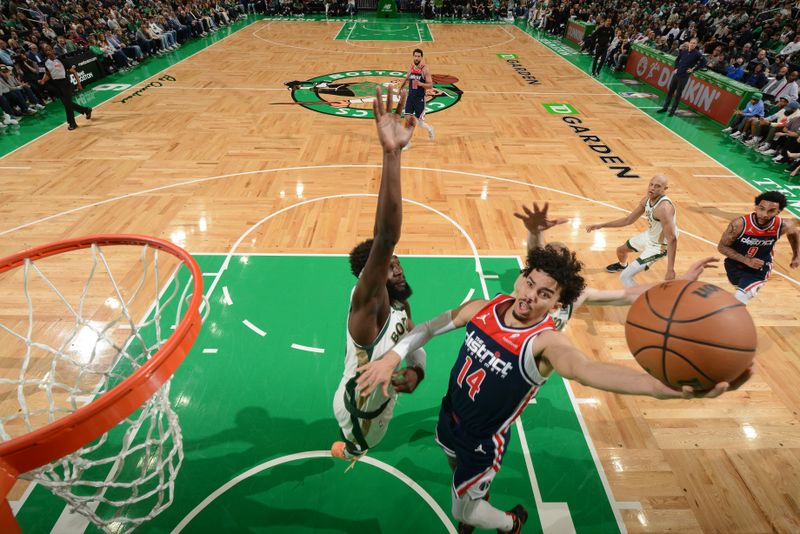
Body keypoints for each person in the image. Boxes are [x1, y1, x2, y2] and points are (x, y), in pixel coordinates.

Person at [355, 246, 746, 534]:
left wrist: (668, 389)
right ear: (520, 277)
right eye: (529, 282)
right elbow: (426, 328)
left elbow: (590, 371)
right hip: (451, 414)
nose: (530, 295)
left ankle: (510, 523)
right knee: (454, 466)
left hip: (483, 439)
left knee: (465, 513)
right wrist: (393, 358)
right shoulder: (482, 308)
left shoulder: (545, 344)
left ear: (558, 303)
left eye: (545, 293)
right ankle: (474, 496)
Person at [330, 86, 427, 463]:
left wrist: (416, 373)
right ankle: (349, 450)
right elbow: (386, 236)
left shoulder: (398, 300)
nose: (397, 264)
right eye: (387, 264)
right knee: (361, 448)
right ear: (371, 277)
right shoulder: (369, 303)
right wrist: (392, 154)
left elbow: (415, 335)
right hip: (360, 412)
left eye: (397, 259)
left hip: (383, 390)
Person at [515, 202, 718, 330]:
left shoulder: (578, 295)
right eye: (547, 263)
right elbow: (535, 255)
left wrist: (680, 283)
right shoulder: (528, 282)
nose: (549, 268)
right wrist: (534, 232)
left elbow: (629, 295)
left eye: (556, 263)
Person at [586, 175, 678, 287]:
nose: (652, 188)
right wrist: (601, 225)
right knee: (620, 250)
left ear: (665, 189)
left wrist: (670, 269)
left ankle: (644, 300)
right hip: (650, 236)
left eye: (657, 186)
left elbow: (672, 239)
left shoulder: (664, 209)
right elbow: (628, 220)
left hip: (660, 246)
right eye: (651, 184)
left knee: (625, 277)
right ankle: (622, 265)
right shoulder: (646, 200)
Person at [717, 191, 799, 304]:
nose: (764, 214)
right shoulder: (739, 224)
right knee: (739, 292)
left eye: (771, 211)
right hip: (734, 265)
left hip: (759, 267)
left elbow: (794, 233)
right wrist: (746, 260)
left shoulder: (783, 225)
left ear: (778, 212)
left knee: (739, 299)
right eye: (761, 208)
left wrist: (797, 255)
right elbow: (722, 247)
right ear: (756, 207)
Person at [38, 45, 92, 131]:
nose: (48, 51)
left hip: (65, 83)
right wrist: (43, 81)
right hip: (56, 85)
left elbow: (73, 72)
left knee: (67, 105)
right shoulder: (46, 62)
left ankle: (72, 123)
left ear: (52, 50)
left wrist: (79, 83)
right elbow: (48, 74)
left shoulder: (61, 60)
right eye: (46, 50)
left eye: (49, 49)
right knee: (67, 104)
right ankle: (86, 110)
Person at [658, 38, 707, 116]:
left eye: (694, 43)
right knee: (670, 91)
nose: (692, 44)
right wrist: (676, 68)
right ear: (689, 43)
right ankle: (665, 107)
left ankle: (672, 111)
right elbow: (677, 60)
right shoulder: (684, 51)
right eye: (691, 43)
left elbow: (704, 62)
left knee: (678, 94)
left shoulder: (697, 54)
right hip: (676, 74)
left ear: (696, 45)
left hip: (684, 76)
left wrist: (693, 69)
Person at [399, 48, 435, 149]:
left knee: (420, 123)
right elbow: (406, 78)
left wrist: (420, 84)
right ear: (413, 56)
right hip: (411, 97)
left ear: (421, 57)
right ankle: (407, 142)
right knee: (408, 119)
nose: (417, 58)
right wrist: (400, 89)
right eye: (415, 56)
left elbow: (430, 85)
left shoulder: (425, 70)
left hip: (420, 98)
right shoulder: (411, 67)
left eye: (419, 56)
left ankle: (430, 129)